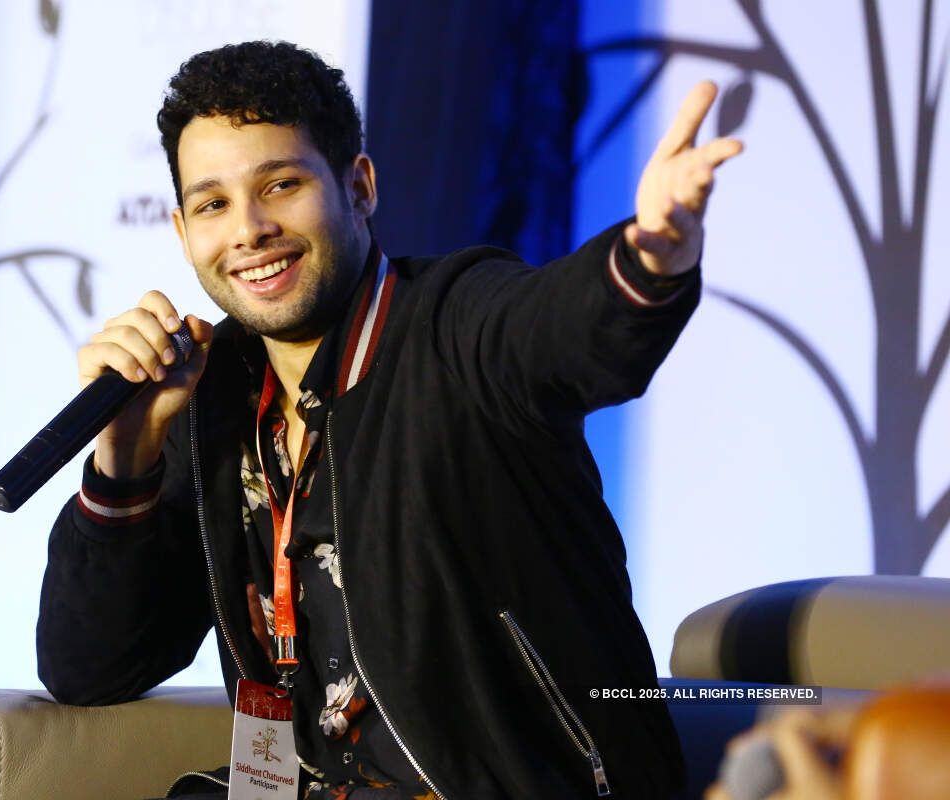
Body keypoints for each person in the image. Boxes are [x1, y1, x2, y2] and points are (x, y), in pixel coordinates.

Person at [36, 40, 743, 799]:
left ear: (360, 187)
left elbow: (562, 332)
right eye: (213, 204)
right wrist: (125, 458)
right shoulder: (208, 400)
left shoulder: (455, 321)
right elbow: (93, 667)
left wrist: (646, 262)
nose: (248, 230)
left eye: (281, 184)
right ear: (182, 232)